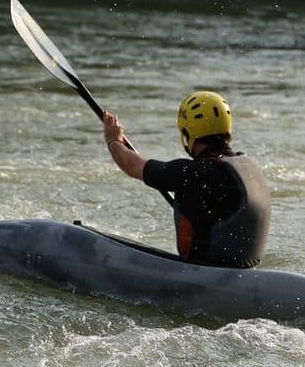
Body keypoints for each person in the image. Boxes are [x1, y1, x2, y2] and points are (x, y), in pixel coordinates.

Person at [102, 90, 270, 268]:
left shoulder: (191, 173)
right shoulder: (248, 166)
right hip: (244, 271)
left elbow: (132, 166)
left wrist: (113, 140)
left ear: (188, 133)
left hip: (205, 275)